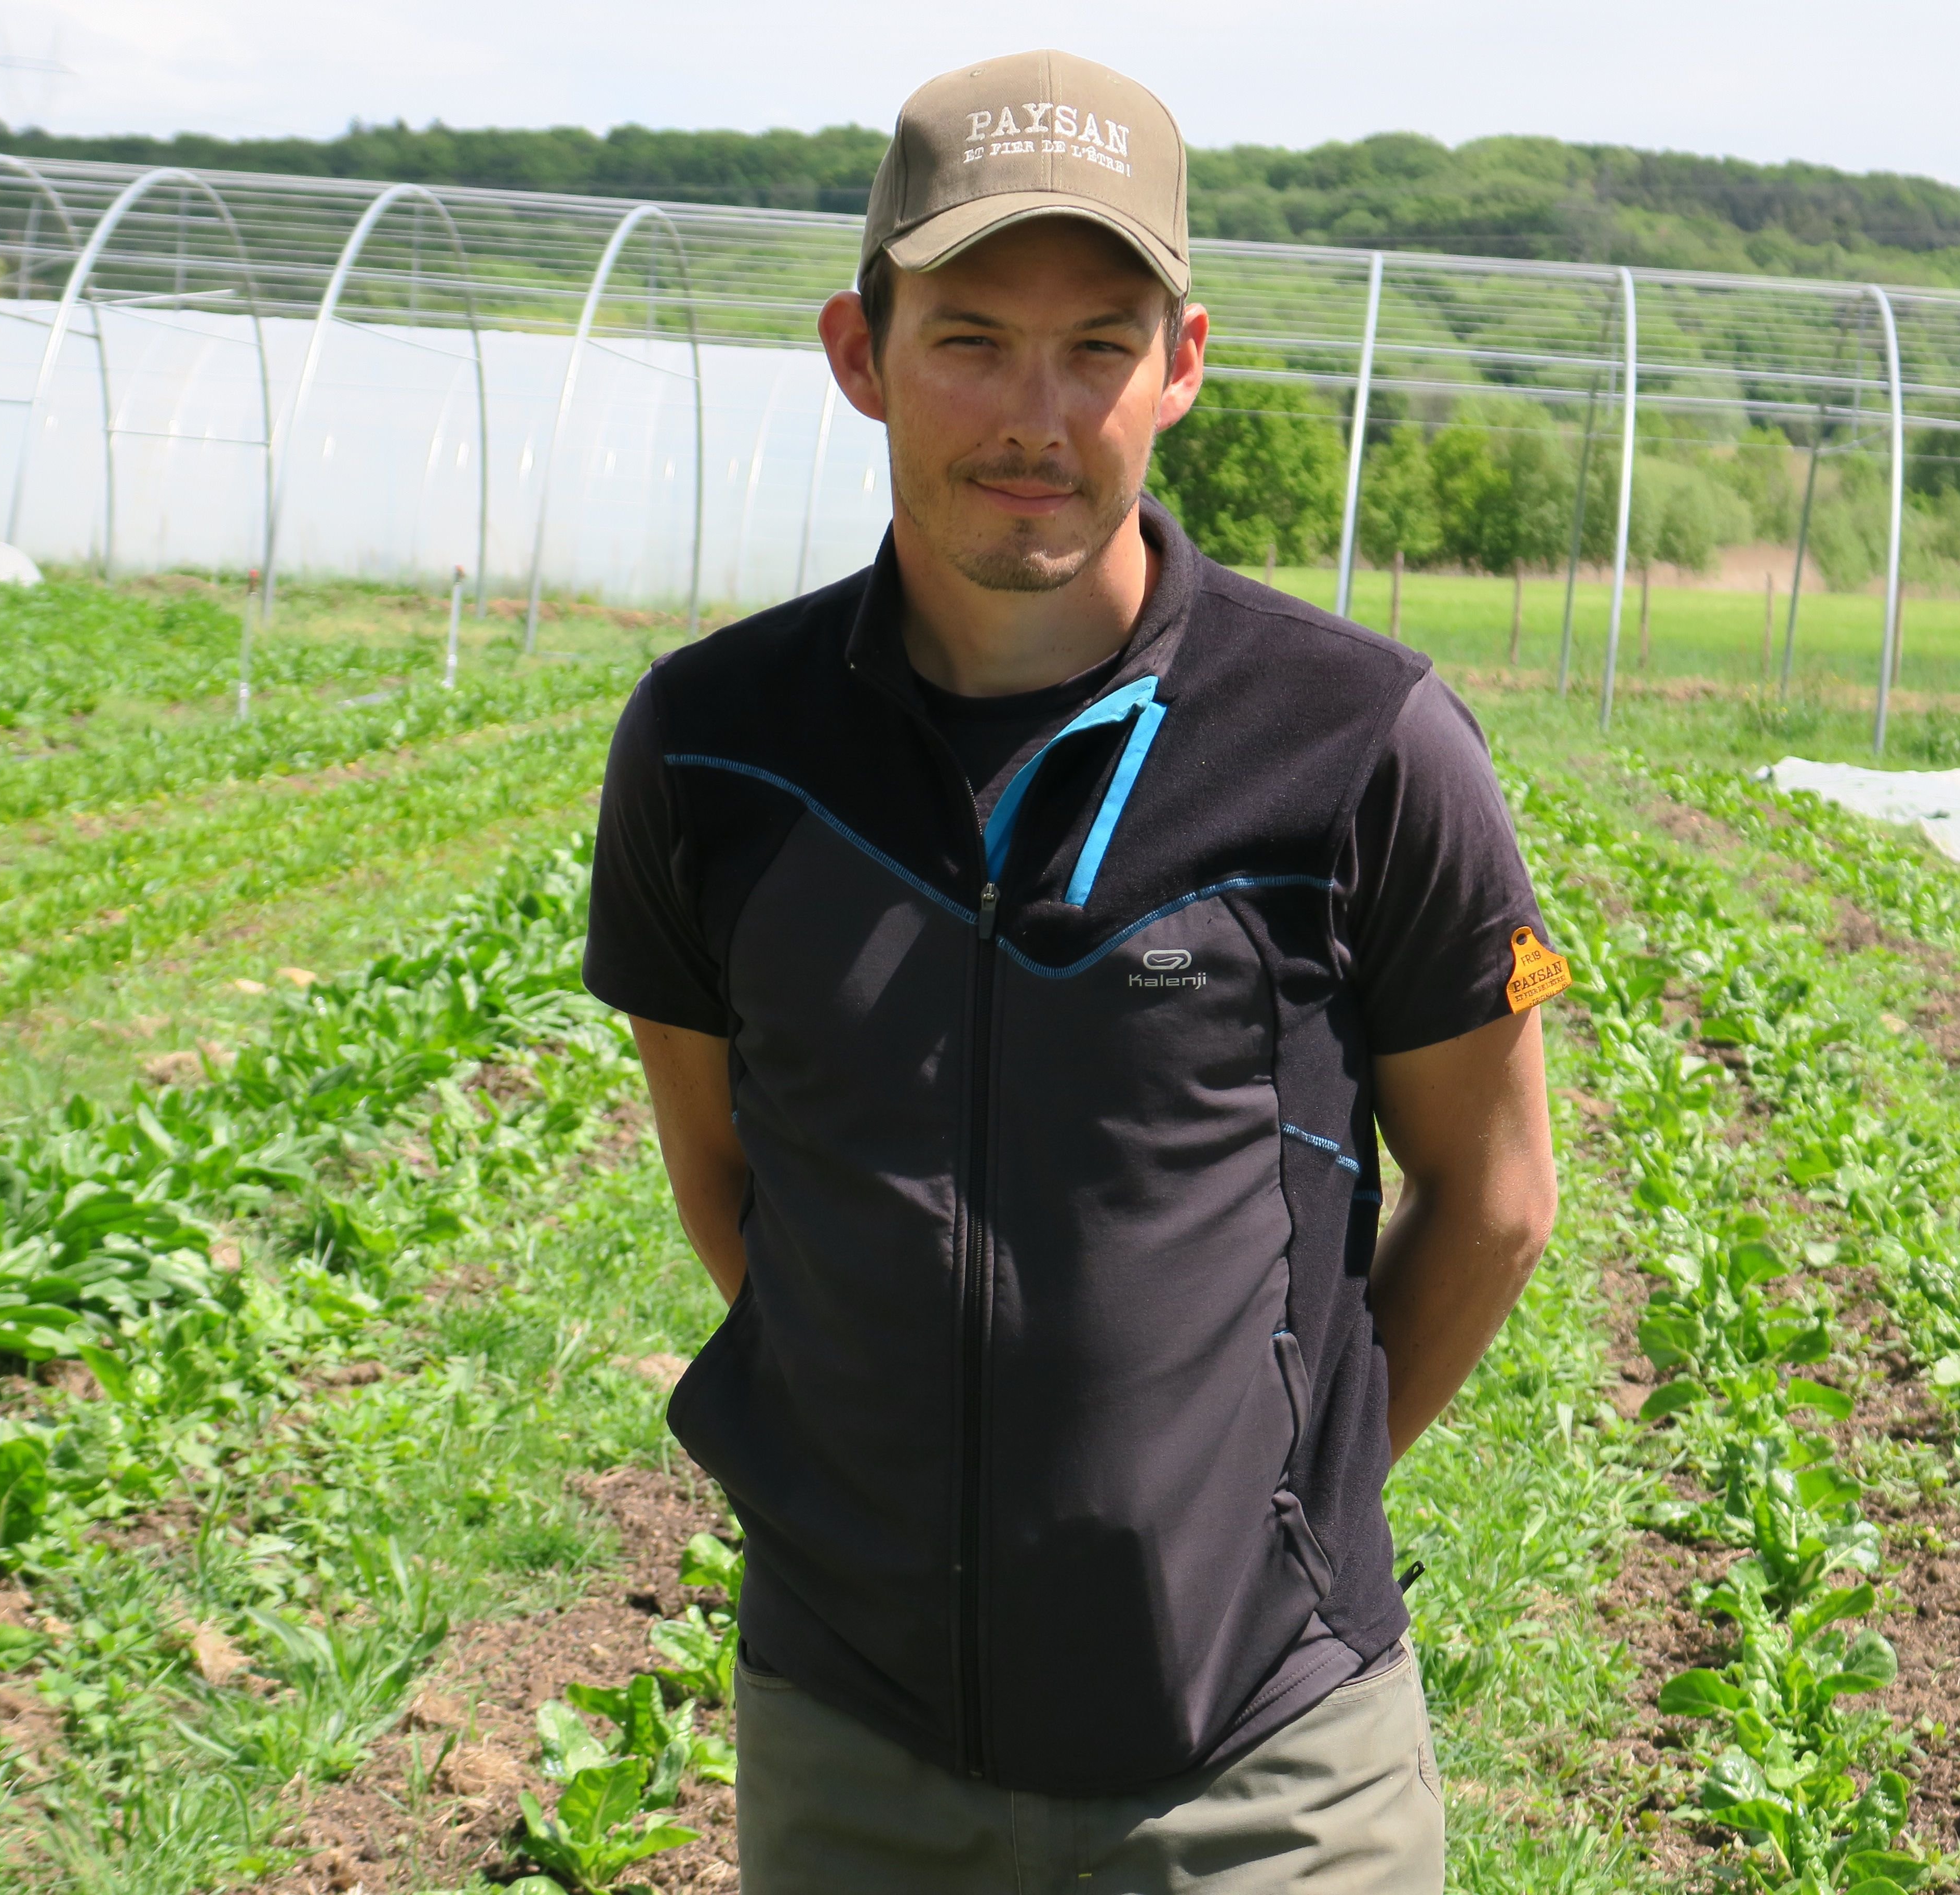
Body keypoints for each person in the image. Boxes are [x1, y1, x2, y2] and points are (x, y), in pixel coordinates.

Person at [584, 47, 1563, 1894]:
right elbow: (728, 1177)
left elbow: (1496, 1197)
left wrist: (1273, 1512)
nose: (1035, 414)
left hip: (1267, 1772)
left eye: (1098, 344)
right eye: (969, 339)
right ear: (859, 353)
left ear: (1181, 365)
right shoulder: (716, 749)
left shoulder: (1357, 744)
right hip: (852, 1746)